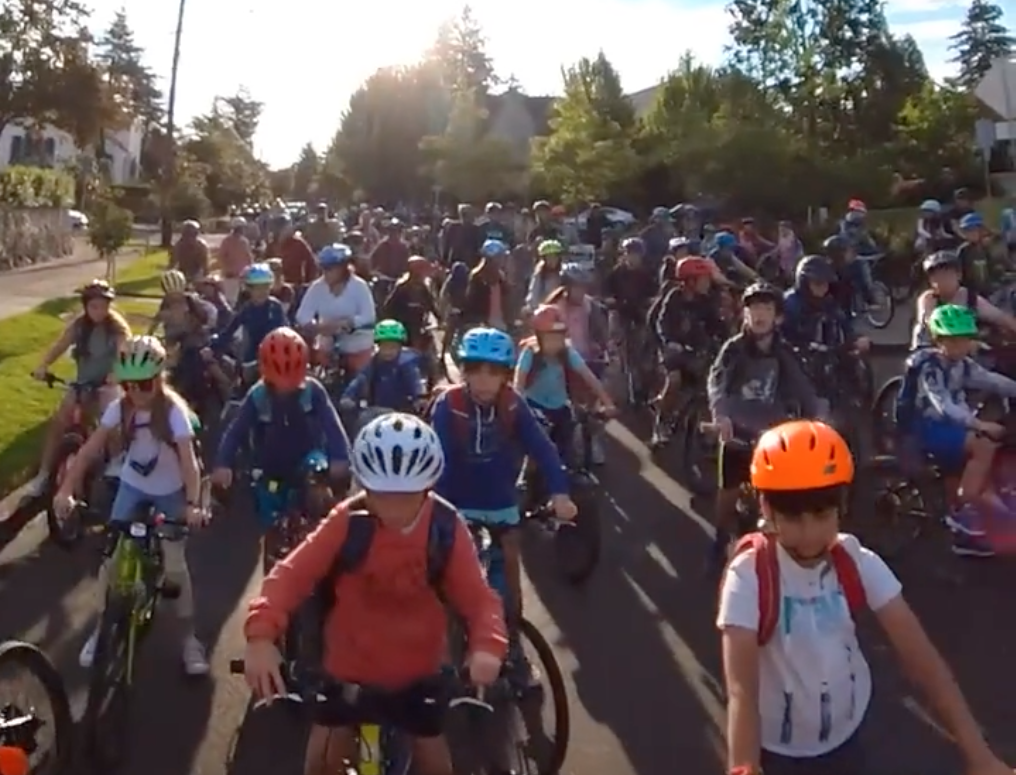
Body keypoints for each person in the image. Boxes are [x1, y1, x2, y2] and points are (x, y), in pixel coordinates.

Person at [718, 420, 1012, 775]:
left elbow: (924, 661)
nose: (809, 535)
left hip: (849, 735)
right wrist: (743, 767)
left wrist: (979, 755)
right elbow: (742, 693)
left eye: (822, 514)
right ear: (766, 508)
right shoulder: (749, 576)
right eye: (792, 518)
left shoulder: (855, 561)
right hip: (777, 752)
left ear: (841, 506)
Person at [241, 413, 507, 775]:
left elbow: (478, 597)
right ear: (364, 487)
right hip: (347, 668)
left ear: (428, 487)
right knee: (321, 764)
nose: (394, 509)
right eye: (381, 495)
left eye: (407, 497)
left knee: (435, 764)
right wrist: (260, 636)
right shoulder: (347, 521)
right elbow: (291, 575)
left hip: (418, 671)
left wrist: (487, 646)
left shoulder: (445, 527)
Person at [52, 336, 209, 675]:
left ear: (159, 378)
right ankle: (100, 630)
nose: (136, 393)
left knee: (175, 567)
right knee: (110, 563)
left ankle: (189, 641)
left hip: (170, 490)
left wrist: (192, 505)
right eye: (128, 385)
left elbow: (189, 463)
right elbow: (89, 450)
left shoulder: (174, 411)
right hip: (133, 485)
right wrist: (65, 489)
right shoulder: (119, 408)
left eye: (145, 384)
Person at [431, 328, 576, 633]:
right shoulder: (448, 404)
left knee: (510, 570)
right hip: (454, 504)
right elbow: (437, 459)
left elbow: (543, 449)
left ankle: (514, 641)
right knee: (443, 579)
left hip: (500, 502)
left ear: (506, 375)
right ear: (463, 371)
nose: (484, 379)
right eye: (475, 369)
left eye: (493, 371)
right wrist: (435, 509)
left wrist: (560, 493)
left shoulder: (513, 404)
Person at [707, 283, 823, 568]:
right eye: (754, 308)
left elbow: (803, 388)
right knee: (728, 493)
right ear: (745, 314)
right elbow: (718, 383)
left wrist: (818, 420)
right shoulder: (733, 349)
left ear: (777, 317)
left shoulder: (784, 352)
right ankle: (719, 541)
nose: (759, 314)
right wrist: (721, 415)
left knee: (782, 495)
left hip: (772, 434)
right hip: (737, 432)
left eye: (766, 308)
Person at [896, 304, 1016, 555]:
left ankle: (966, 521)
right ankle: (964, 514)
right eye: (953, 340)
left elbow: (992, 381)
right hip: (926, 427)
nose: (961, 345)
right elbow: (944, 405)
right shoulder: (930, 367)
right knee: (984, 443)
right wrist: (979, 425)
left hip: (950, 426)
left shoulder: (963, 365)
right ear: (939, 341)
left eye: (964, 339)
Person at [213, 327, 350, 497]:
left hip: (309, 463)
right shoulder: (258, 395)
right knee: (265, 498)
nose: (285, 388)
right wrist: (223, 463)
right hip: (271, 467)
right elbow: (235, 432)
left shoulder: (313, 391)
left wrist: (340, 458)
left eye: (292, 381)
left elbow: (332, 426)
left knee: (319, 484)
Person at [27, 280, 131, 496]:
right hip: (82, 383)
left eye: (104, 306)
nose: (99, 311)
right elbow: (60, 345)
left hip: (106, 384)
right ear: (85, 306)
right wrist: (43, 366)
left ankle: (117, 464)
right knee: (58, 423)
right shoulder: (79, 326)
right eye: (94, 306)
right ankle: (44, 474)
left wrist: (117, 373)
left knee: (111, 419)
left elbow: (124, 353)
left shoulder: (117, 327)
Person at [513, 305, 616, 460]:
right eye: (549, 338)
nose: (555, 343)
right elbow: (519, 381)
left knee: (568, 446)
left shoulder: (567, 352)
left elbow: (588, 376)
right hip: (535, 406)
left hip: (560, 406)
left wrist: (607, 402)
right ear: (539, 337)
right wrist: (519, 406)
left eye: (558, 338)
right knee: (533, 448)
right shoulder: (530, 352)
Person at [294, 244, 376, 374]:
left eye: (330, 268)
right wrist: (318, 327)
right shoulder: (317, 287)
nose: (325, 273)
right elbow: (302, 315)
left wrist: (349, 323)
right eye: (323, 268)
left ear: (343, 268)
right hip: (327, 348)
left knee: (363, 378)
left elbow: (369, 316)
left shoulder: (360, 286)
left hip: (357, 346)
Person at [341, 320, 426, 416]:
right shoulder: (372, 364)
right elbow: (359, 381)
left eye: (393, 347)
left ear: (400, 347)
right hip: (377, 414)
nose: (388, 351)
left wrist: (419, 399)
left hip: (403, 414)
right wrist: (348, 398)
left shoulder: (407, 363)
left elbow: (415, 383)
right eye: (385, 346)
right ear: (378, 346)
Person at [524, 239, 564, 314]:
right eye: (549, 257)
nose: (552, 260)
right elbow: (534, 295)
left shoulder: (564, 273)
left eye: (555, 257)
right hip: (544, 311)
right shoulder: (539, 274)